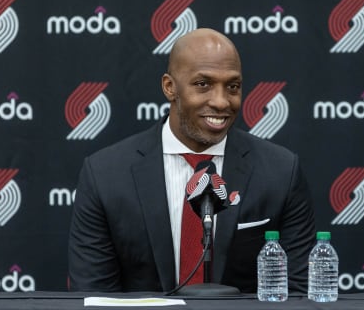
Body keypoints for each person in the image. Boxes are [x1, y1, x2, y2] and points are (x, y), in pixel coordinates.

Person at [68, 28, 316, 293]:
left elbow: (299, 292)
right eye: (203, 84)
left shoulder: (281, 171)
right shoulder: (105, 174)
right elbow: (93, 295)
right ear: (169, 87)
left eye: (232, 87)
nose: (221, 102)